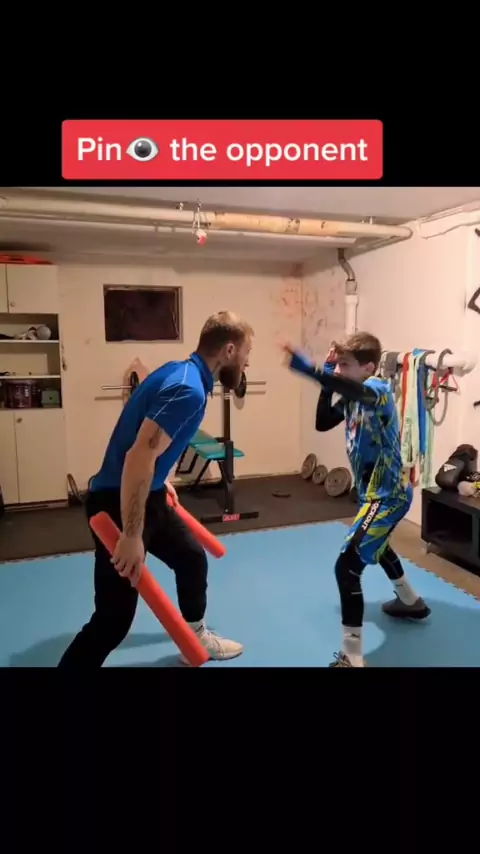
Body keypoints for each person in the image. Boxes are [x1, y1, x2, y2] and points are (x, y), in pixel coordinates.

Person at [58, 311, 253, 669]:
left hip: (148, 493)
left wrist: (160, 482)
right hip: (116, 505)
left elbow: (150, 449)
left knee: (191, 558)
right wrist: (132, 535)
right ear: (229, 350)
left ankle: (194, 638)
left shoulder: (183, 373)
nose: (247, 362)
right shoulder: (188, 390)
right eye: (246, 353)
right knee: (113, 620)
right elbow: (138, 456)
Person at [283, 332, 431, 668]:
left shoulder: (377, 390)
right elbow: (323, 423)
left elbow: (355, 390)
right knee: (378, 545)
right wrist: (327, 378)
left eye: (345, 364)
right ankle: (411, 602)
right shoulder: (352, 396)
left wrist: (312, 370)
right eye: (337, 364)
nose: (339, 369)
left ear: (368, 368)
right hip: (374, 495)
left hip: (389, 496)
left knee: (347, 566)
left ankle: (352, 657)